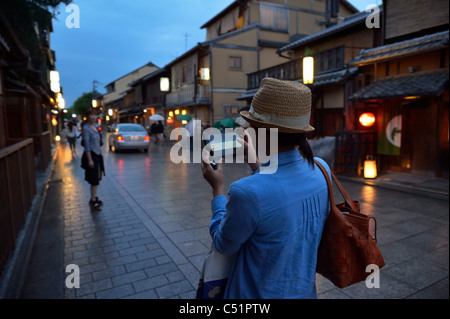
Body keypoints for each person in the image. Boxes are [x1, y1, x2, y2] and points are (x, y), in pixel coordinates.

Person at [201, 78, 331, 299]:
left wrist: (217, 190)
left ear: (264, 133)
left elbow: (224, 243)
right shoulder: (321, 168)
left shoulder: (246, 192)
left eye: (252, 127)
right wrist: (257, 165)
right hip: (305, 292)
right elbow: (279, 196)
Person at [81, 108, 105, 211]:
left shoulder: (95, 126)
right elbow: (87, 146)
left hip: (98, 154)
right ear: (87, 117)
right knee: (94, 179)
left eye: (95, 115)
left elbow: (98, 142)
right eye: (91, 115)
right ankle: (93, 201)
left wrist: (101, 153)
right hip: (91, 155)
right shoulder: (86, 128)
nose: (93, 117)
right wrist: (90, 160)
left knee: (98, 177)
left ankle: (94, 197)